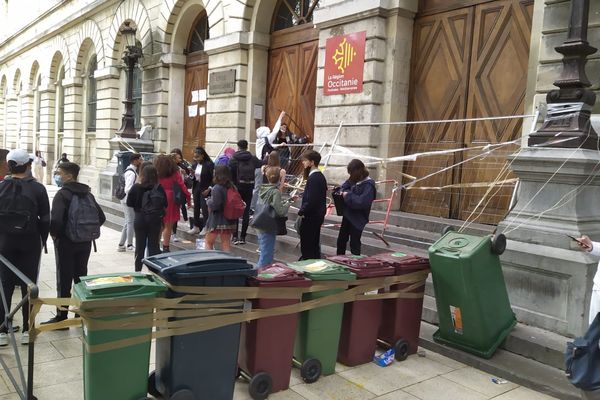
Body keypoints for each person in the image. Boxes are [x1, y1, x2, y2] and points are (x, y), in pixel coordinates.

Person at [43, 161, 105, 326]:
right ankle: (79, 314)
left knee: (64, 278)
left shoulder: (62, 194)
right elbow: (102, 217)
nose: (58, 175)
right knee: (80, 277)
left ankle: (62, 316)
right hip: (85, 242)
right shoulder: (88, 194)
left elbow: (55, 220)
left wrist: (56, 236)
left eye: (60, 173)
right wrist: (86, 231)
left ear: (69, 175)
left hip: (66, 243)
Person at [0, 149, 50, 345]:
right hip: (30, 242)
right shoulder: (38, 189)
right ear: (28, 165)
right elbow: (46, 220)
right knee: (29, 286)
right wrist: (42, 240)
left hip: (4, 243)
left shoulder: (1, 187)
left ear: (9, 165)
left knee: (4, 284)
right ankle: (27, 330)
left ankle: (3, 330)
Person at [127, 165, 167, 272]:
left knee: (140, 246)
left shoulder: (136, 187)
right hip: (154, 220)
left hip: (139, 218)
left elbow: (129, 203)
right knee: (153, 246)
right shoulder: (159, 188)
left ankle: (138, 271)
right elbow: (165, 204)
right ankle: (153, 271)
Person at [335, 159, 376, 256]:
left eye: (351, 173)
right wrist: (342, 192)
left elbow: (361, 202)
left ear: (358, 172)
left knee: (354, 243)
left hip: (359, 218)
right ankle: (338, 262)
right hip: (348, 214)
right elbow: (344, 187)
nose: (350, 176)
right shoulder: (354, 179)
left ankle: (356, 265)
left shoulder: (368, 185)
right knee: (341, 241)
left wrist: (347, 195)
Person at [256, 166, 291, 267]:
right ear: (279, 179)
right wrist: (288, 203)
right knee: (267, 254)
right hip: (269, 224)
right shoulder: (275, 191)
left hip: (260, 221)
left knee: (264, 251)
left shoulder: (263, 188)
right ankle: (259, 276)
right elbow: (280, 210)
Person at [228, 139, 261, 245]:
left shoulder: (233, 159)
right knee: (246, 212)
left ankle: (234, 237)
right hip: (249, 187)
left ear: (238, 147)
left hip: (237, 188)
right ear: (247, 147)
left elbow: (230, 172)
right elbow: (261, 164)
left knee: (236, 212)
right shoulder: (252, 158)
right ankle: (243, 237)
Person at [155, 154, 190, 252]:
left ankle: (155, 246)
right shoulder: (174, 171)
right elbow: (181, 185)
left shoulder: (156, 172)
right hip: (170, 198)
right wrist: (188, 198)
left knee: (159, 225)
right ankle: (166, 247)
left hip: (158, 196)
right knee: (168, 225)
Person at [297, 150, 327, 260]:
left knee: (308, 244)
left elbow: (312, 200)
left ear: (312, 162)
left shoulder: (315, 177)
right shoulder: (316, 177)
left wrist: (302, 211)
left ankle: (308, 263)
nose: (303, 163)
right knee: (311, 244)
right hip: (314, 215)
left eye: (305, 160)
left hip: (312, 216)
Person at [205, 166, 237, 252]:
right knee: (226, 243)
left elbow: (216, 205)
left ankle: (209, 262)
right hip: (229, 219)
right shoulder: (232, 187)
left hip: (217, 219)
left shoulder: (217, 188)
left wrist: (208, 201)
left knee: (208, 242)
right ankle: (227, 263)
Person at [117, 153, 142, 252]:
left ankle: (121, 244)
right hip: (128, 201)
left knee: (128, 222)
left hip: (126, 200)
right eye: (140, 159)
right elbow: (128, 189)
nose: (141, 161)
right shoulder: (131, 173)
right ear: (135, 161)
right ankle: (129, 244)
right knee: (130, 222)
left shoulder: (131, 171)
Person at [188, 147, 214, 235]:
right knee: (196, 207)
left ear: (202, 156)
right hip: (196, 187)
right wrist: (191, 174)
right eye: (195, 157)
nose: (196, 159)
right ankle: (196, 226)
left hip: (205, 187)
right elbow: (193, 178)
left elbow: (213, 178)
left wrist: (209, 188)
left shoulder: (209, 164)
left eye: (198, 157)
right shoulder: (194, 164)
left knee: (204, 207)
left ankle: (205, 227)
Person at [170, 149, 192, 242]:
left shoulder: (180, 167)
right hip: (175, 192)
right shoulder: (174, 169)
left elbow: (186, 179)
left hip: (174, 192)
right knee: (173, 214)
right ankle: (173, 234)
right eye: (178, 158)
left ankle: (172, 234)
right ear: (174, 159)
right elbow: (181, 183)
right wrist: (188, 196)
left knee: (173, 214)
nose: (180, 159)